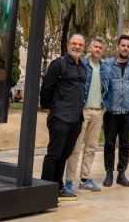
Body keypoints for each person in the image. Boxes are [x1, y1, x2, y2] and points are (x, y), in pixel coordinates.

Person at [40, 34, 87, 201]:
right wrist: (47, 108)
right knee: (54, 154)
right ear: (68, 45)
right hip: (60, 116)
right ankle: (44, 191)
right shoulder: (58, 64)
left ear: (83, 47)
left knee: (65, 153)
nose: (77, 46)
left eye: (80, 44)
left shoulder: (82, 66)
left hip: (76, 118)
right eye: (74, 43)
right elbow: (47, 87)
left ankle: (57, 187)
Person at [64, 37, 107, 196]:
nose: (98, 50)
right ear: (90, 48)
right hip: (83, 111)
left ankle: (85, 179)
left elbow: (107, 88)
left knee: (91, 148)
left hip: (98, 112)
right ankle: (69, 181)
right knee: (75, 147)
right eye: (95, 47)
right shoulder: (82, 65)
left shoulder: (104, 67)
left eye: (100, 48)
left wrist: (104, 106)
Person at [101, 34, 129, 188]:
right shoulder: (107, 64)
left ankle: (121, 173)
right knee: (109, 144)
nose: (125, 48)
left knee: (125, 144)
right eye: (123, 45)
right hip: (111, 112)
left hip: (127, 112)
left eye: (128, 46)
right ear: (118, 47)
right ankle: (109, 172)